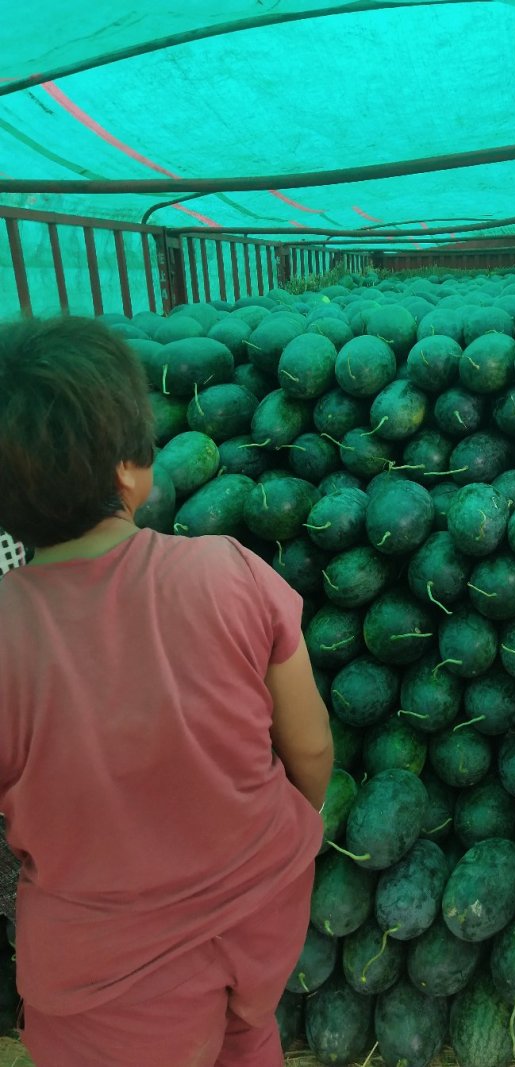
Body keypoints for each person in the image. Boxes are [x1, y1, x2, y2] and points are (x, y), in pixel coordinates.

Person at [0, 316, 334, 1067]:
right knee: (246, 1035)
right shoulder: (228, 569)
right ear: (130, 468)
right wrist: (287, 831)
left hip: (106, 978)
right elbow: (310, 745)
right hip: (260, 911)